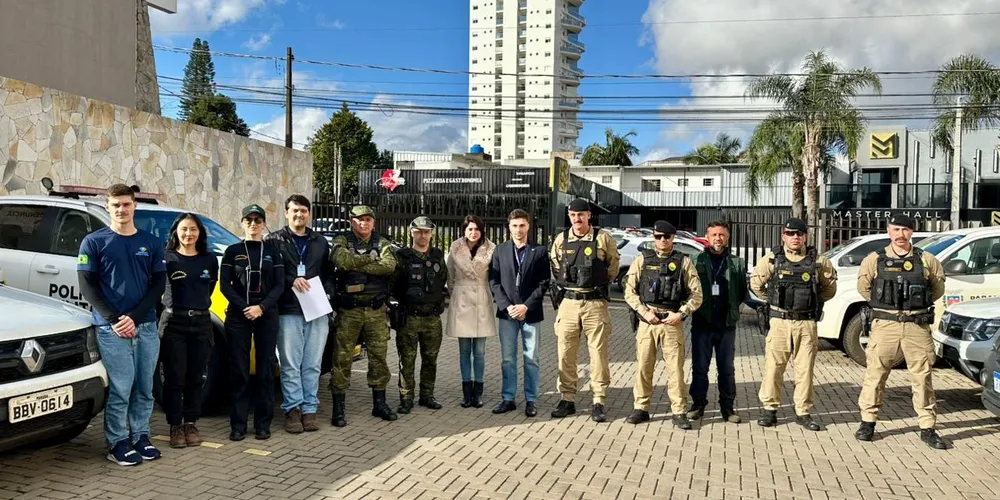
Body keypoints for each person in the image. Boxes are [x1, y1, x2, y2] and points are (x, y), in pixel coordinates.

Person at [77, 183, 166, 466]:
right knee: (121, 386)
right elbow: (87, 286)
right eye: (116, 205)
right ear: (107, 207)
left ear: (134, 206)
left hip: (146, 326)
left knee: (145, 386)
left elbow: (158, 285)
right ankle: (117, 442)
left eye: (126, 204)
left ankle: (141, 436)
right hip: (111, 328)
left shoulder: (151, 242)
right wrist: (116, 319)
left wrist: (136, 317)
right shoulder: (94, 241)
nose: (121, 210)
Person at [855, 215, 948, 449]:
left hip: (917, 326)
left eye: (905, 229)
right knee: (875, 375)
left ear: (912, 232)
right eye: (896, 229)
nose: (900, 234)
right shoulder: (874, 260)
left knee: (922, 377)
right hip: (884, 326)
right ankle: (868, 422)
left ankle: (927, 427)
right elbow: (864, 289)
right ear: (888, 231)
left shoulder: (927, 260)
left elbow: (936, 289)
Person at [750, 218, 836, 431]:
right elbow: (756, 285)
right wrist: (774, 301)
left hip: (806, 323)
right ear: (783, 235)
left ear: (806, 236)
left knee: (804, 370)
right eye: (790, 233)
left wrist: (811, 302)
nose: (795, 237)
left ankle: (803, 412)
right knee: (774, 367)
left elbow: (829, 289)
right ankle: (770, 410)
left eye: (799, 234)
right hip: (779, 321)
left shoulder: (819, 261)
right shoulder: (772, 259)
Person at [623, 221, 703, 428]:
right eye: (658, 236)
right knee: (643, 366)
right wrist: (644, 312)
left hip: (671, 321)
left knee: (675, 369)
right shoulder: (642, 260)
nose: (662, 240)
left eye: (666, 236)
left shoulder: (684, 261)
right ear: (654, 238)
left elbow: (697, 295)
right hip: (647, 321)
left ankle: (679, 411)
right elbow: (629, 292)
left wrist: (681, 314)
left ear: (673, 238)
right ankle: (641, 408)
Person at [266, 195, 335, 434]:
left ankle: (309, 409)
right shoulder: (274, 240)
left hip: (316, 311)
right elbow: (269, 275)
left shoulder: (320, 242)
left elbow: (329, 274)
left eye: (304, 211)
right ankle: (292, 409)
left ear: (309, 214)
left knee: (313, 363)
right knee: (290, 364)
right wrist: (290, 280)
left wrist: (327, 292)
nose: (299, 215)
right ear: (286, 213)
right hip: (288, 310)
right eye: (294, 210)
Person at [549, 198, 620, 422]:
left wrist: (597, 282)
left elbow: (613, 267)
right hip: (568, 302)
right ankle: (567, 398)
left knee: (598, 354)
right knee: (566, 352)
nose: (577, 219)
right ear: (569, 216)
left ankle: (598, 400)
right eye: (573, 215)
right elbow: (555, 264)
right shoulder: (562, 239)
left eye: (581, 215)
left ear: (589, 215)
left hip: (594, 303)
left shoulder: (603, 238)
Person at [328, 205, 398, 427]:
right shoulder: (342, 240)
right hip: (349, 311)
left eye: (367, 220)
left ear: (373, 223)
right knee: (342, 358)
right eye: (358, 220)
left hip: (376, 311)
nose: (363, 223)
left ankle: (380, 404)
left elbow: (389, 266)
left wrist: (360, 263)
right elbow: (342, 262)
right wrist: (371, 259)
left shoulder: (382, 243)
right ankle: (338, 409)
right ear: (351, 221)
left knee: (378, 357)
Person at [220, 204, 284, 441]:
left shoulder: (272, 251)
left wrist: (262, 307)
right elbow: (225, 285)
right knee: (239, 368)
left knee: (266, 368)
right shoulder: (232, 251)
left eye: (258, 220)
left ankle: (262, 423)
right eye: (249, 220)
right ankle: (238, 424)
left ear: (264, 224)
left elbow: (279, 285)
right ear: (242, 223)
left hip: (266, 313)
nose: (254, 225)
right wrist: (244, 307)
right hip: (239, 314)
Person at [160, 213, 219, 449]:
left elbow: (210, 287)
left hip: (202, 324)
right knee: (175, 377)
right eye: (184, 229)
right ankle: (175, 425)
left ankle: (191, 423)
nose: (188, 234)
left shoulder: (209, 260)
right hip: (175, 324)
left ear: (200, 233)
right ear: (176, 232)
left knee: (196, 377)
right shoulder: (167, 258)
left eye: (193, 229)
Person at [488, 209, 551, 417]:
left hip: (530, 314)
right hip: (507, 314)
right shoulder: (500, 250)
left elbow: (544, 283)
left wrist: (526, 306)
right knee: (508, 358)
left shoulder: (539, 251)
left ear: (528, 226)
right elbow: (494, 281)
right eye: (514, 225)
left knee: (531, 358)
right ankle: (508, 398)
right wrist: (508, 306)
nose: (518, 229)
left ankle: (531, 399)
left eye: (522, 225)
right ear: (509, 227)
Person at [688, 220, 747, 424]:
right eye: (714, 235)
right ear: (707, 237)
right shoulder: (696, 260)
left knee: (726, 369)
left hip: (726, 325)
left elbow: (741, 292)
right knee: (700, 367)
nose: (718, 238)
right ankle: (698, 405)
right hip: (702, 323)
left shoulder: (736, 263)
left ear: (727, 237)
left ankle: (728, 408)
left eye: (722, 235)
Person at [391, 216, 448, 414]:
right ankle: (406, 397)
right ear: (411, 232)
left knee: (430, 359)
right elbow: (394, 285)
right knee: (407, 359)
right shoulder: (402, 256)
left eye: (426, 232)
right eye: (418, 231)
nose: (422, 235)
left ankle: (427, 395)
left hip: (432, 317)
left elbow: (442, 280)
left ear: (431, 234)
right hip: (410, 317)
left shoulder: (438, 256)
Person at [446, 215, 498, 408]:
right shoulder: (455, 248)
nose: (473, 232)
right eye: (470, 229)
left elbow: (495, 275)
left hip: (482, 299)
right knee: (464, 351)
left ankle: (478, 393)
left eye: (476, 229)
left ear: (482, 230)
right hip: (461, 301)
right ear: (464, 230)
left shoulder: (491, 249)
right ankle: (466, 393)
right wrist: (456, 295)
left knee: (480, 351)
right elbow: (450, 276)